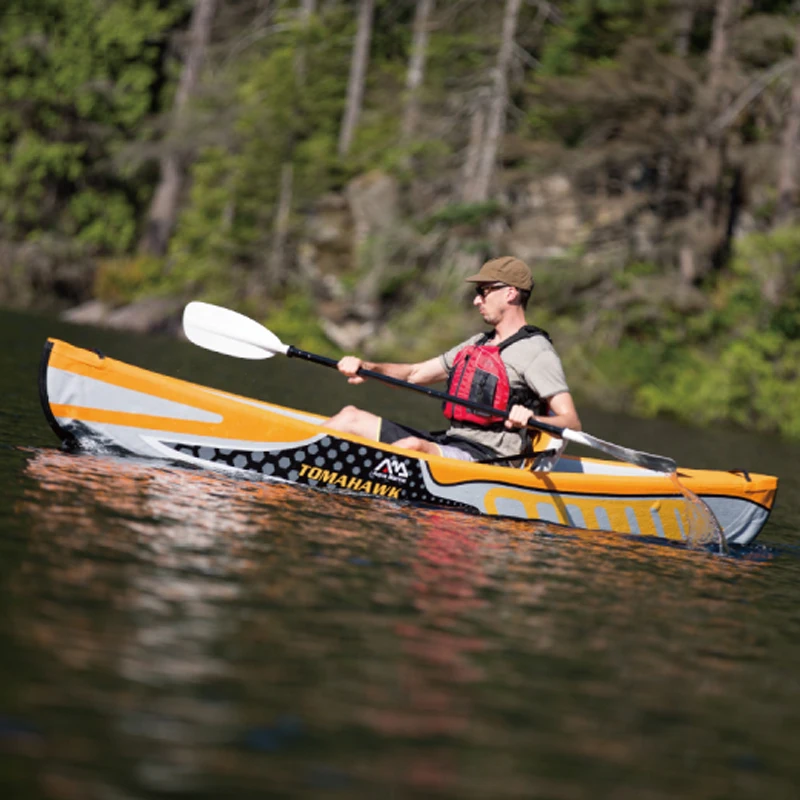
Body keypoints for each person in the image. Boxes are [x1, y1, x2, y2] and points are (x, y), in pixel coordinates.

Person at [324, 256, 581, 468]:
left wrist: (533, 419)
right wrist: (370, 368)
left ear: (510, 293)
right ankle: (289, 456)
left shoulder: (537, 352)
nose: (476, 300)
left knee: (412, 447)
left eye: (484, 291)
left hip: (490, 459)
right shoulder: (477, 343)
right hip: (451, 441)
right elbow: (415, 373)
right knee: (350, 418)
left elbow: (571, 421)